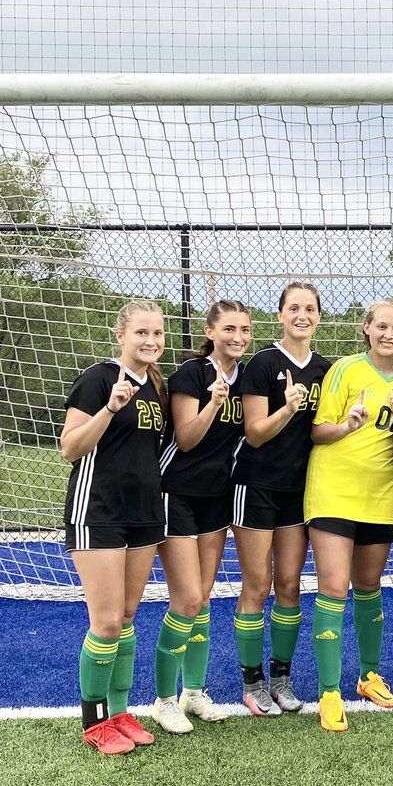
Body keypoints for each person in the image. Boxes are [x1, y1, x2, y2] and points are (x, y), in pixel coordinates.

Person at [304, 300, 393, 732]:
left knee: (369, 585)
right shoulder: (346, 370)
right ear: (367, 329)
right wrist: (349, 425)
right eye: (382, 326)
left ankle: (368, 676)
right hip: (333, 492)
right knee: (334, 587)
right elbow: (318, 432)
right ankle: (329, 693)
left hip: (381, 494)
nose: (389, 334)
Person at [59, 300, 168, 755]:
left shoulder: (157, 387)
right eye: (141, 333)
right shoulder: (99, 379)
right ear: (121, 335)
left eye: (158, 334)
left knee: (125, 619)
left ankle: (121, 713)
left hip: (144, 514)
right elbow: (69, 447)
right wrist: (109, 408)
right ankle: (95, 722)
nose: (151, 341)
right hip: (98, 511)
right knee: (104, 622)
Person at [150, 300, 252, 733]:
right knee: (186, 599)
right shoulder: (191, 375)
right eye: (229, 328)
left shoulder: (247, 377)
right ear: (210, 331)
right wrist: (213, 402)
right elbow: (187, 440)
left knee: (204, 597)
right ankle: (163, 699)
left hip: (217, 496)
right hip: (176, 493)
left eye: (245, 330)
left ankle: (193, 693)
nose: (238, 337)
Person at [231, 282, 329, 716]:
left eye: (309, 308)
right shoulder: (262, 364)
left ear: (319, 316)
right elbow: (254, 433)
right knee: (258, 585)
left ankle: (281, 678)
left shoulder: (327, 369)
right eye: (294, 308)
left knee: (290, 585)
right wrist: (288, 407)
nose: (302, 315)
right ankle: (251, 682)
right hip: (255, 486)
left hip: (299, 490)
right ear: (280, 315)